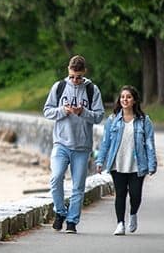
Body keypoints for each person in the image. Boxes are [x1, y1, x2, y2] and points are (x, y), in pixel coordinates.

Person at [42, 55, 104, 234]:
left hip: (82, 147)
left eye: (78, 77)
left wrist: (83, 112)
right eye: (72, 77)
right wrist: (63, 111)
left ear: (84, 73)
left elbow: (99, 116)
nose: (75, 81)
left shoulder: (92, 90)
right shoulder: (59, 87)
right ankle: (60, 212)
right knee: (55, 178)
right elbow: (47, 111)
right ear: (68, 72)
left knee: (78, 186)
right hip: (61, 143)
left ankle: (72, 221)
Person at [95, 85, 157, 235]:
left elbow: (149, 143)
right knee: (120, 194)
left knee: (135, 195)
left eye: (128, 97)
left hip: (137, 164)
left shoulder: (144, 120)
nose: (125, 100)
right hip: (118, 163)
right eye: (122, 97)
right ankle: (120, 223)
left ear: (134, 100)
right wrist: (100, 161)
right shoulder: (112, 120)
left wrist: (152, 163)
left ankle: (133, 214)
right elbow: (106, 143)